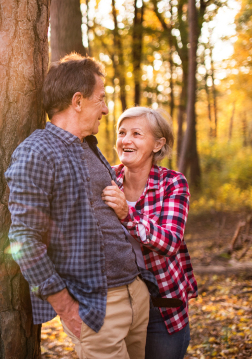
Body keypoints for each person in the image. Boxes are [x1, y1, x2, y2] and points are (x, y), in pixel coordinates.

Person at [5, 54, 158, 359]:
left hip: (135, 295)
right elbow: (23, 240)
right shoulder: (37, 152)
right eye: (100, 99)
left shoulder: (89, 146)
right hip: (96, 307)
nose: (105, 108)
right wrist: (67, 307)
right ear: (77, 101)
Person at [102, 107, 198, 359]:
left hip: (161, 308)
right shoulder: (106, 178)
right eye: (122, 132)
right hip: (117, 304)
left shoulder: (173, 183)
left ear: (158, 144)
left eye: (136, 133)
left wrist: (127, 214)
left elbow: (170, 242)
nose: (126, 140)